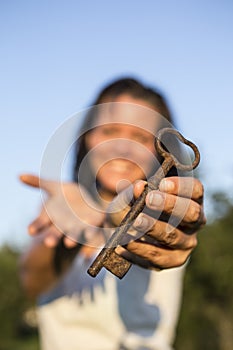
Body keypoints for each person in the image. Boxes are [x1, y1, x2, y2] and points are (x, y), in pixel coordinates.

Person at [19, 77, 205, 350]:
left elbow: (133, 215)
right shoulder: (60, 205)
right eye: (109, 131)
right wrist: (68, 220)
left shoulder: (163, 208)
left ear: (159, 150)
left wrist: (111, 216)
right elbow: (32, 282)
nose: (122, 147)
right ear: (87, 138)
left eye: (141, 137)